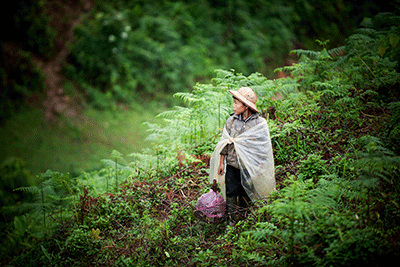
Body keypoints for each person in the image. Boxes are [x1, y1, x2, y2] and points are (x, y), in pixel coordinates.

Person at [213, 86, 275, 226]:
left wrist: (259, 167)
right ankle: (231, 219)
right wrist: (222, 162)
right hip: (232, 163)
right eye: (234, 102)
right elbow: (226, 143)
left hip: (248, 166)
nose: (234, 106)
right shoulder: (231, 121)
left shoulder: (259, 124)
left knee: (246, 190)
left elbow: (262, 149)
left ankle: (246, 219)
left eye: (236, 103)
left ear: (246, 106)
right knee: (231, 191)